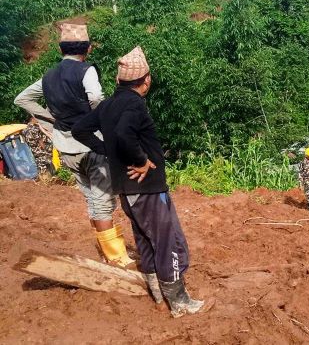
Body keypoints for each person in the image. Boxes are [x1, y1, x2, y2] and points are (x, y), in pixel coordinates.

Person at [72, 46, 208, 317]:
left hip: (126, 188)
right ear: (146, 80)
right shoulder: (135, 103)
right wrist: (142, 160)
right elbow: (124, 132)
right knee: (168, 241)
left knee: (145, 240)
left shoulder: (109, 105)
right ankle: (179, 302)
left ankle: (157, 294)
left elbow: (79, 129)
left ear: (119, 81)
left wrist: (104, 150)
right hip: (148, 188)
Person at [14, 23, 134, 267]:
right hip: (90, 146)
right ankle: (117, 259)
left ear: (61, 49)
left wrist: (51, 118)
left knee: (91, 199)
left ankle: (104, 252)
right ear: (87, 49)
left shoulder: (48, 76)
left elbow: (22, 98)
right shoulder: (86, 71)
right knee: (102, 203)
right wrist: (100, 120)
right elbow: (96, 98)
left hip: (65, 147)